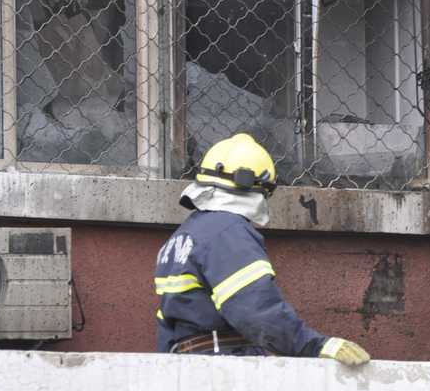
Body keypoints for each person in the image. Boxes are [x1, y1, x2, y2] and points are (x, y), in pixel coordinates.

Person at [154, 133, 370, 366]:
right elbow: (255, 310)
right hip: (224, 367)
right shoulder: (227, 232)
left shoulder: (183, 236)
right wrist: (315, 345)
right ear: (259, 187)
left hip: (186, 365)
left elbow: (167, 323)